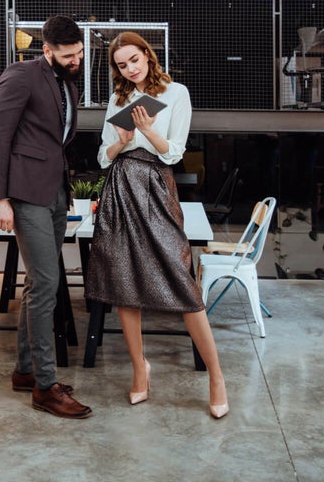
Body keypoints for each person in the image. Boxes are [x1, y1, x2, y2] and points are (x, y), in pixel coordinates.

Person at [84, 31, 229, 419]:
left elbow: (175, 153)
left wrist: (147, 132)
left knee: (182, 280)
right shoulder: (118, 100)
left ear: (148, 56)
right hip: (119, 188)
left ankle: (216, 376)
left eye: (134, 60)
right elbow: (103, 156)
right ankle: (139, 370)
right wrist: (122, 139)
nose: (129, 69)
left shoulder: (175, 92)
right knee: (123, 281)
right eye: (121, 64)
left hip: (155, 185)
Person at [0, 15, 92, 419]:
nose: (76, 60)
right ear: (46, 50)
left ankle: (25, 372)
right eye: (68, 55)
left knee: (39, 283)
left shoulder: (66, 81)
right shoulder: (21, 75)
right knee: (47, 282)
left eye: (80, 53)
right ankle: (46, 387)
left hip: (55, 192)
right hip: (26, 193)